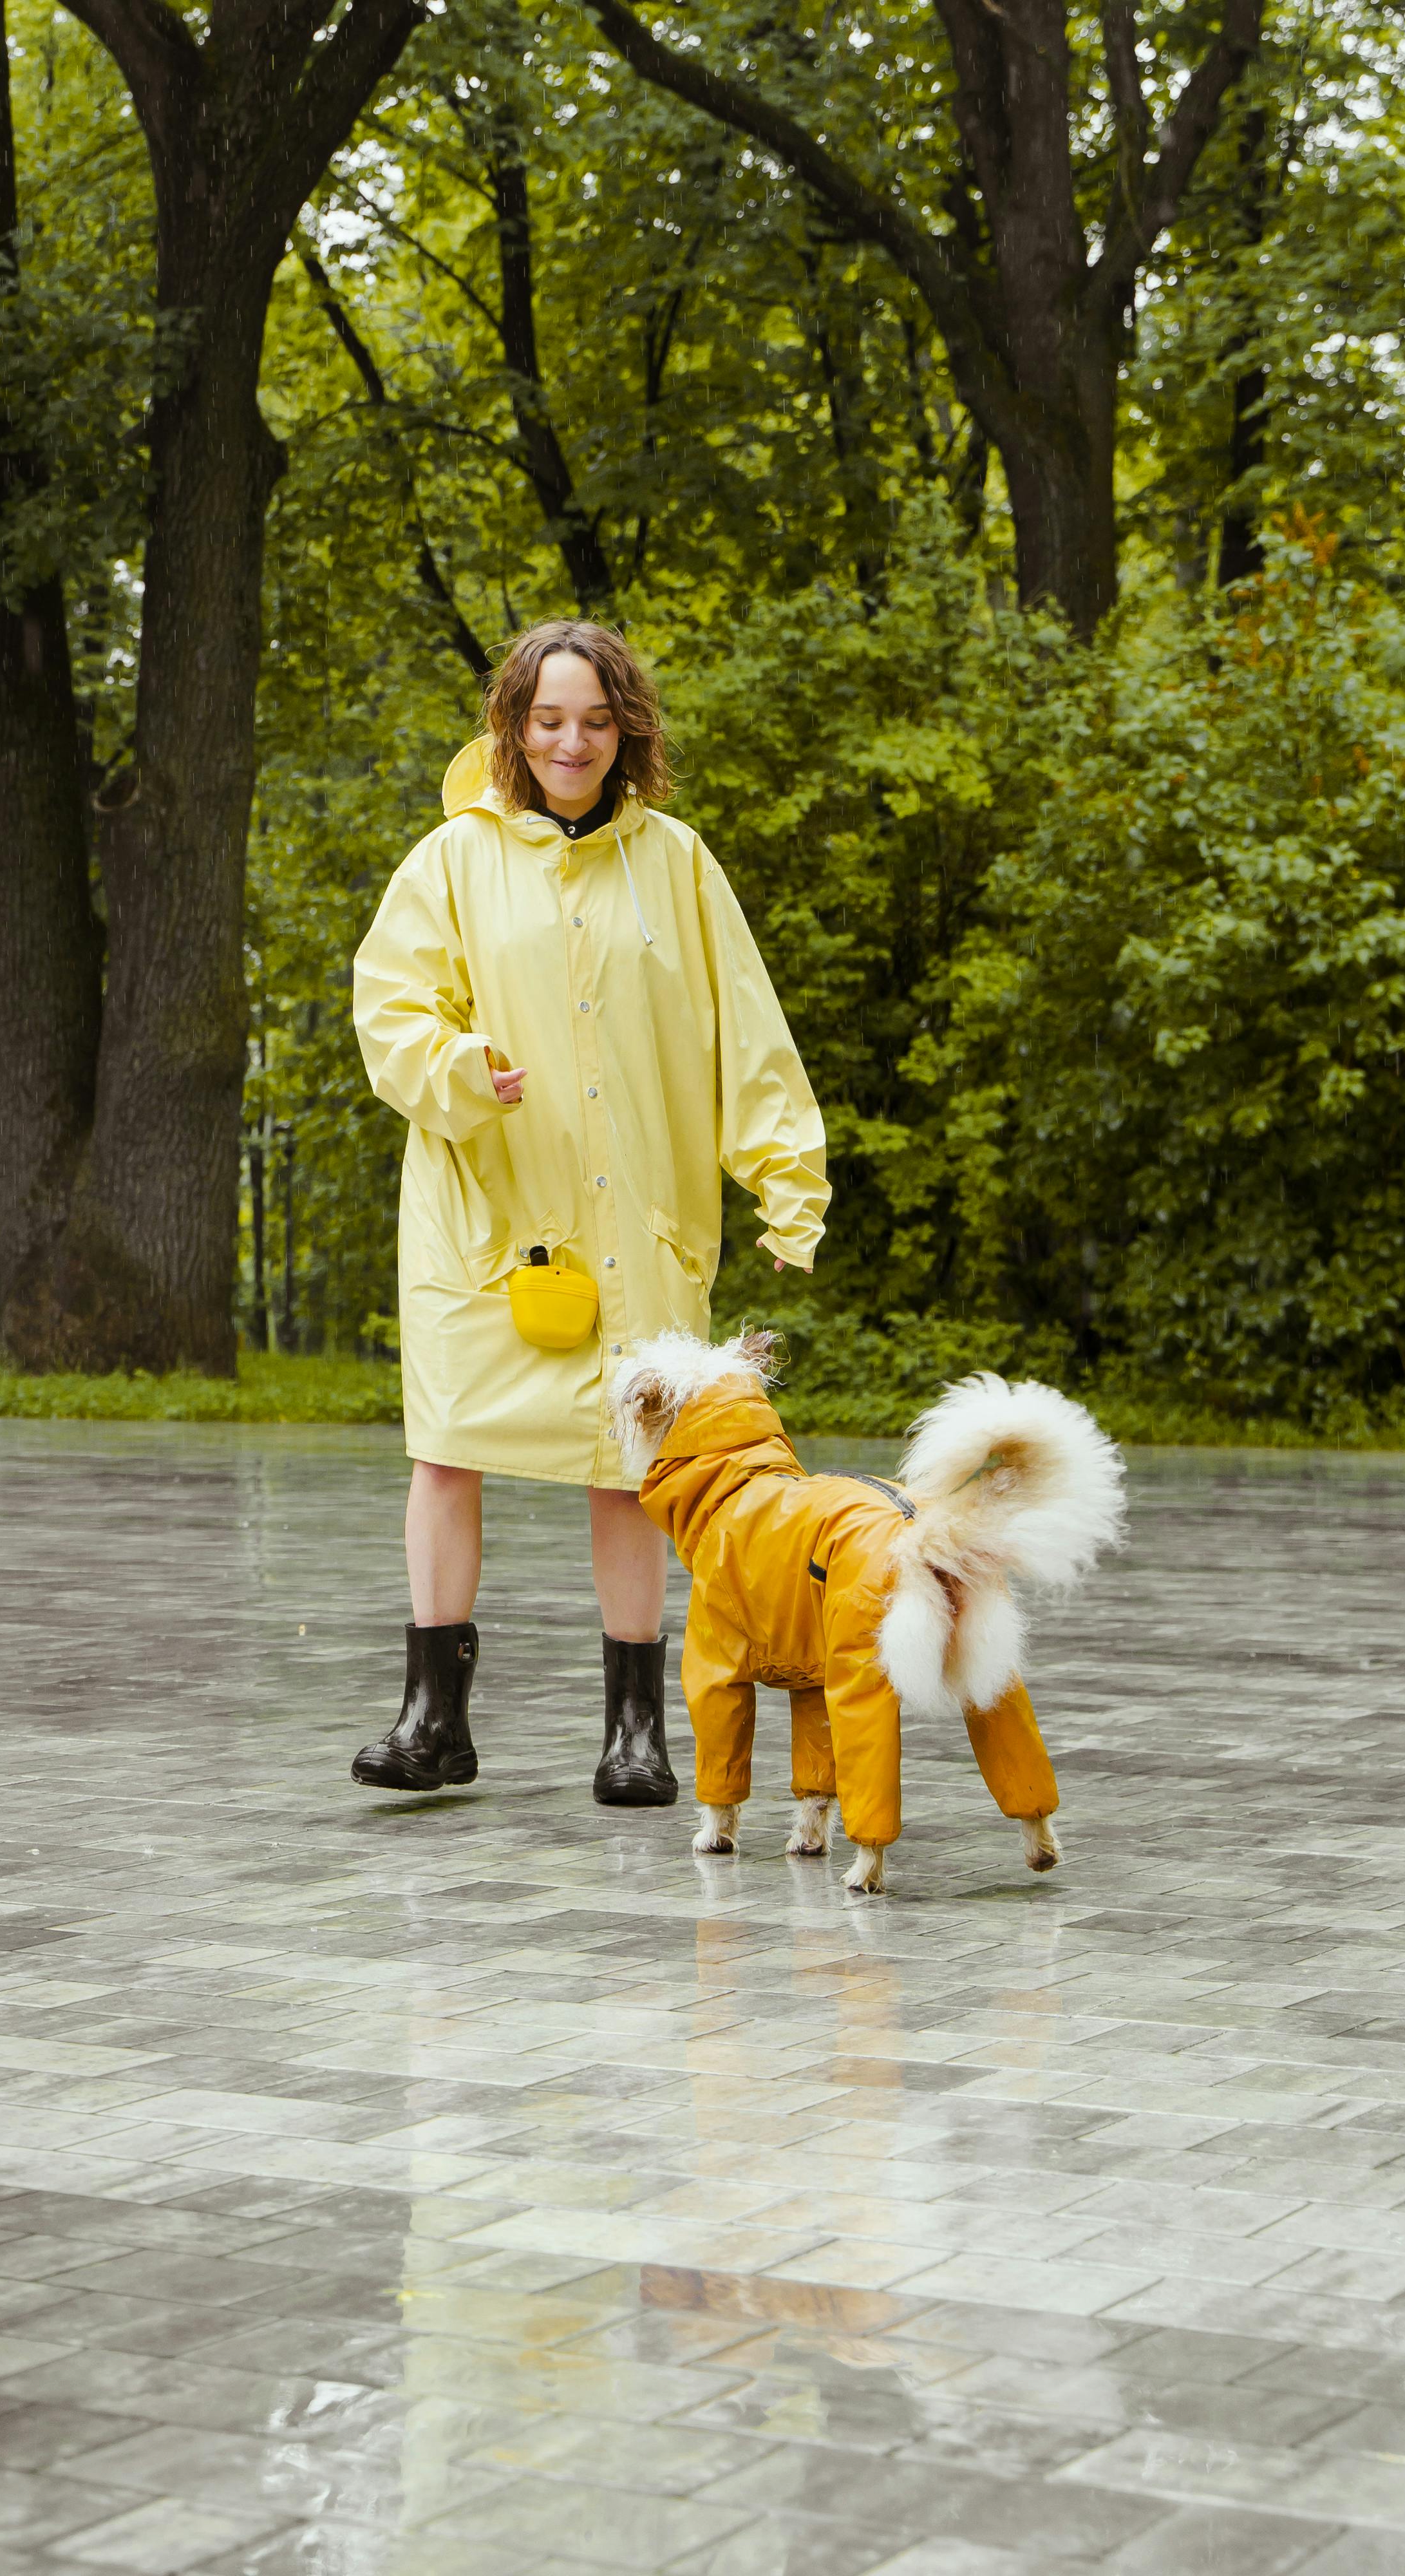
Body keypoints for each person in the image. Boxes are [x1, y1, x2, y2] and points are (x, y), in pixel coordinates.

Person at [349, 620, 828, 1804]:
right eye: (550, 719)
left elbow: (746, 1036)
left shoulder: (679, 865)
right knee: (447, 1454)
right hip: (487, 1223)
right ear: (514, 727)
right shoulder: (449, 864)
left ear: (629, 732)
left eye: (596, 721)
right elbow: (391, 1018)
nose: (572, 741)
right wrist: (463, 1068)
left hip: (642, 1218)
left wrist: (788, 1181)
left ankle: (634, 1732)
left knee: (632, 1466)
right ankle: (433, 1721)